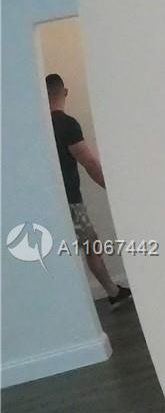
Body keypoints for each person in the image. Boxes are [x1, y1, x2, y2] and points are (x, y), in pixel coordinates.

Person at [47, 73, 132, 309]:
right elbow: (90, 162)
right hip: (71, 202)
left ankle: (111, 292)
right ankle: (113, 293)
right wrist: (112, 189)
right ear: (64, 92)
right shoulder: (66, 124)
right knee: (91, 244)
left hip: (48, 202)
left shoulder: (39, 128)